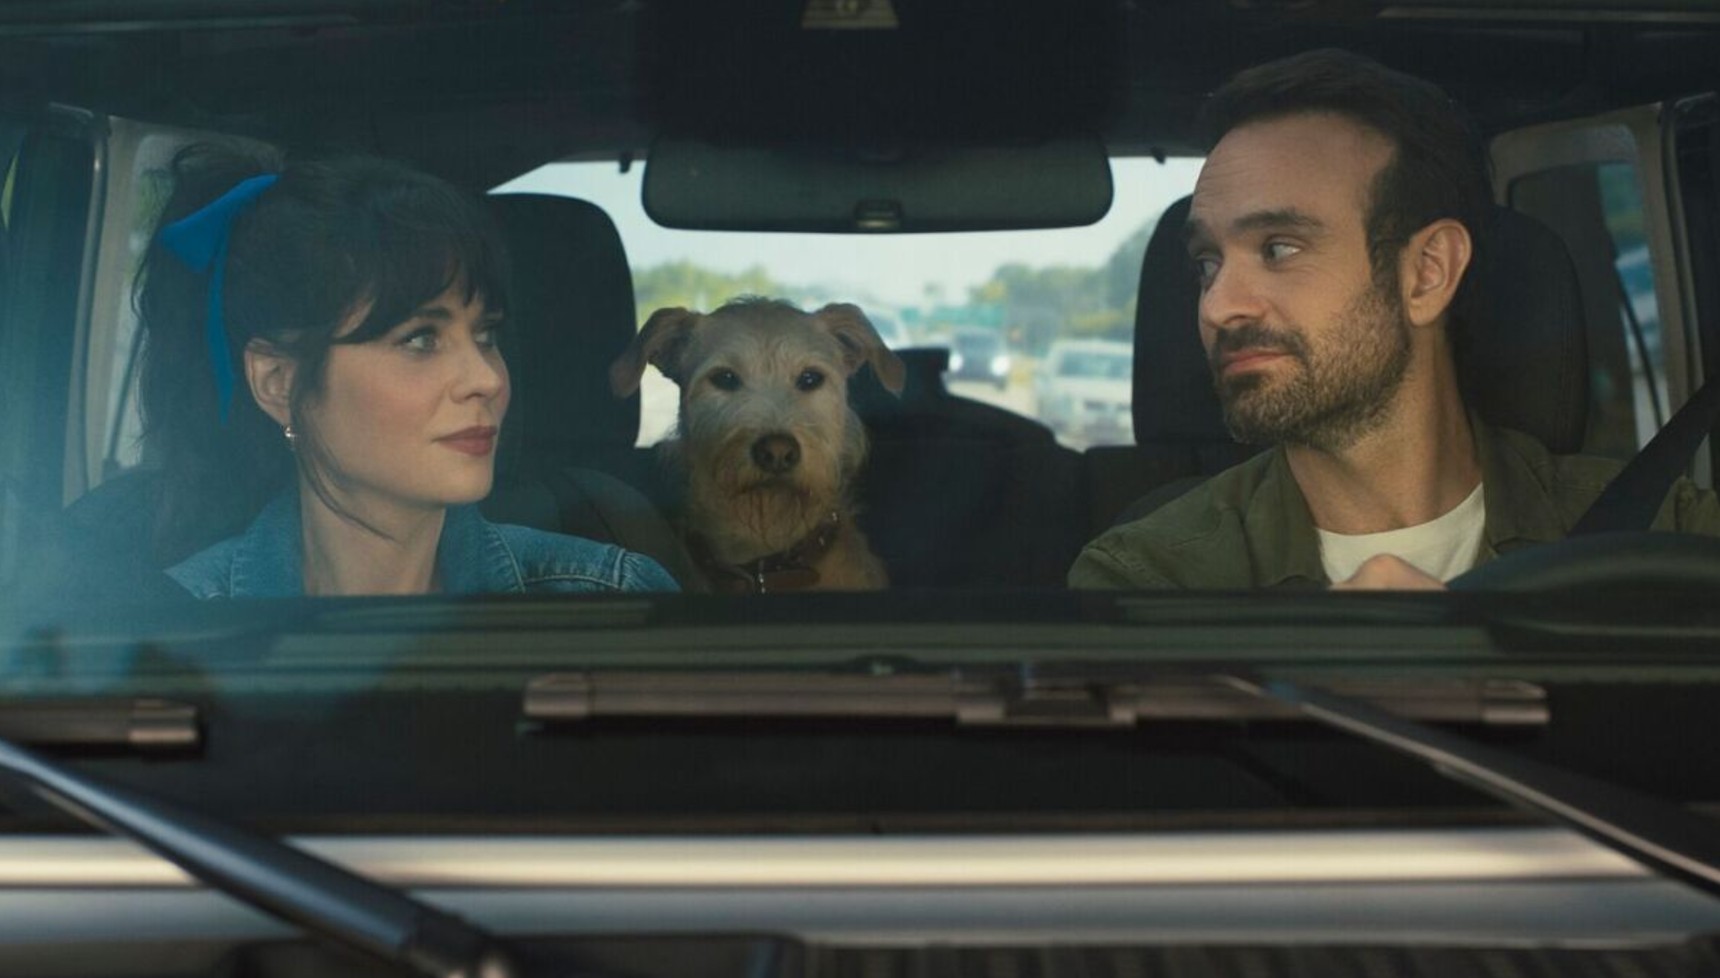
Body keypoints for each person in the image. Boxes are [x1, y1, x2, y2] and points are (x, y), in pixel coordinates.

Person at [1069, 50, 1719, 591]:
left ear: (1426, 272)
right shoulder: (1149, 583)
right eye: (1207, 262)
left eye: (1279, 248)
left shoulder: (1666, 535)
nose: (1217, 305)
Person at [138, 144, 678, 597]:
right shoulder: (176, 622)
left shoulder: (606, 601)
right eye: (421, 339)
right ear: (277, 382)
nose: (487, 379)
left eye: (486, 336)